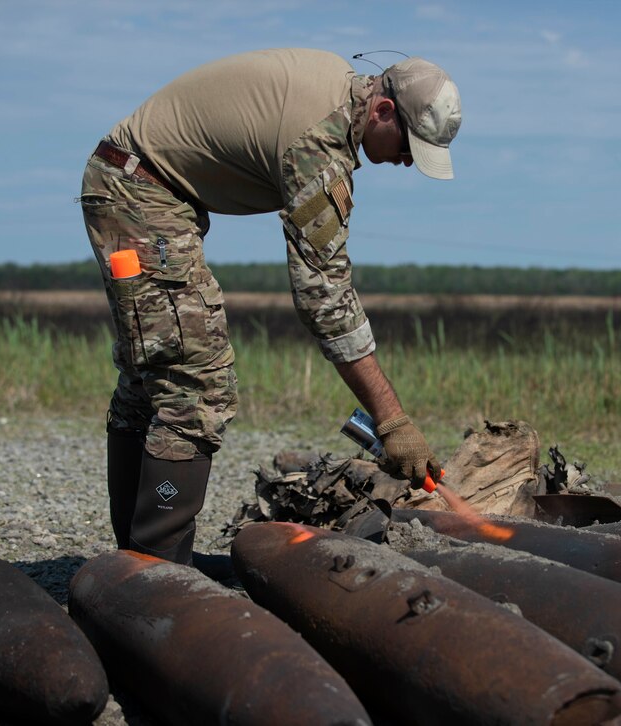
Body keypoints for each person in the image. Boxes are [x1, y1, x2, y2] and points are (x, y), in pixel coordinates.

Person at [78, 48, 462, 564]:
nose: (409, 160)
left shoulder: (335, 89)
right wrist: (391, 422)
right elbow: (324, 295)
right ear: (384, 111)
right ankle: (157, 575)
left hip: (133, 182)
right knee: (195, 382)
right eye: (410, 146)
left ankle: (136, 560)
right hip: (139, 194)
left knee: (151, 375)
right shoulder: (319, 142)